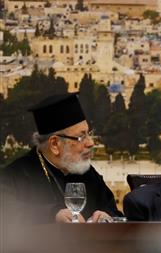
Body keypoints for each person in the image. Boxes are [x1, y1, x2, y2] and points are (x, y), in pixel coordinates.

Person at [1, 93, 121, 224]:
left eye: (89, 133)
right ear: (54, 144)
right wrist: (53, 214)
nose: (90, 142)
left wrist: (106, 216)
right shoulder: (17, 175)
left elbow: (112, 211)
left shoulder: (87, 173)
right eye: (81, 137)